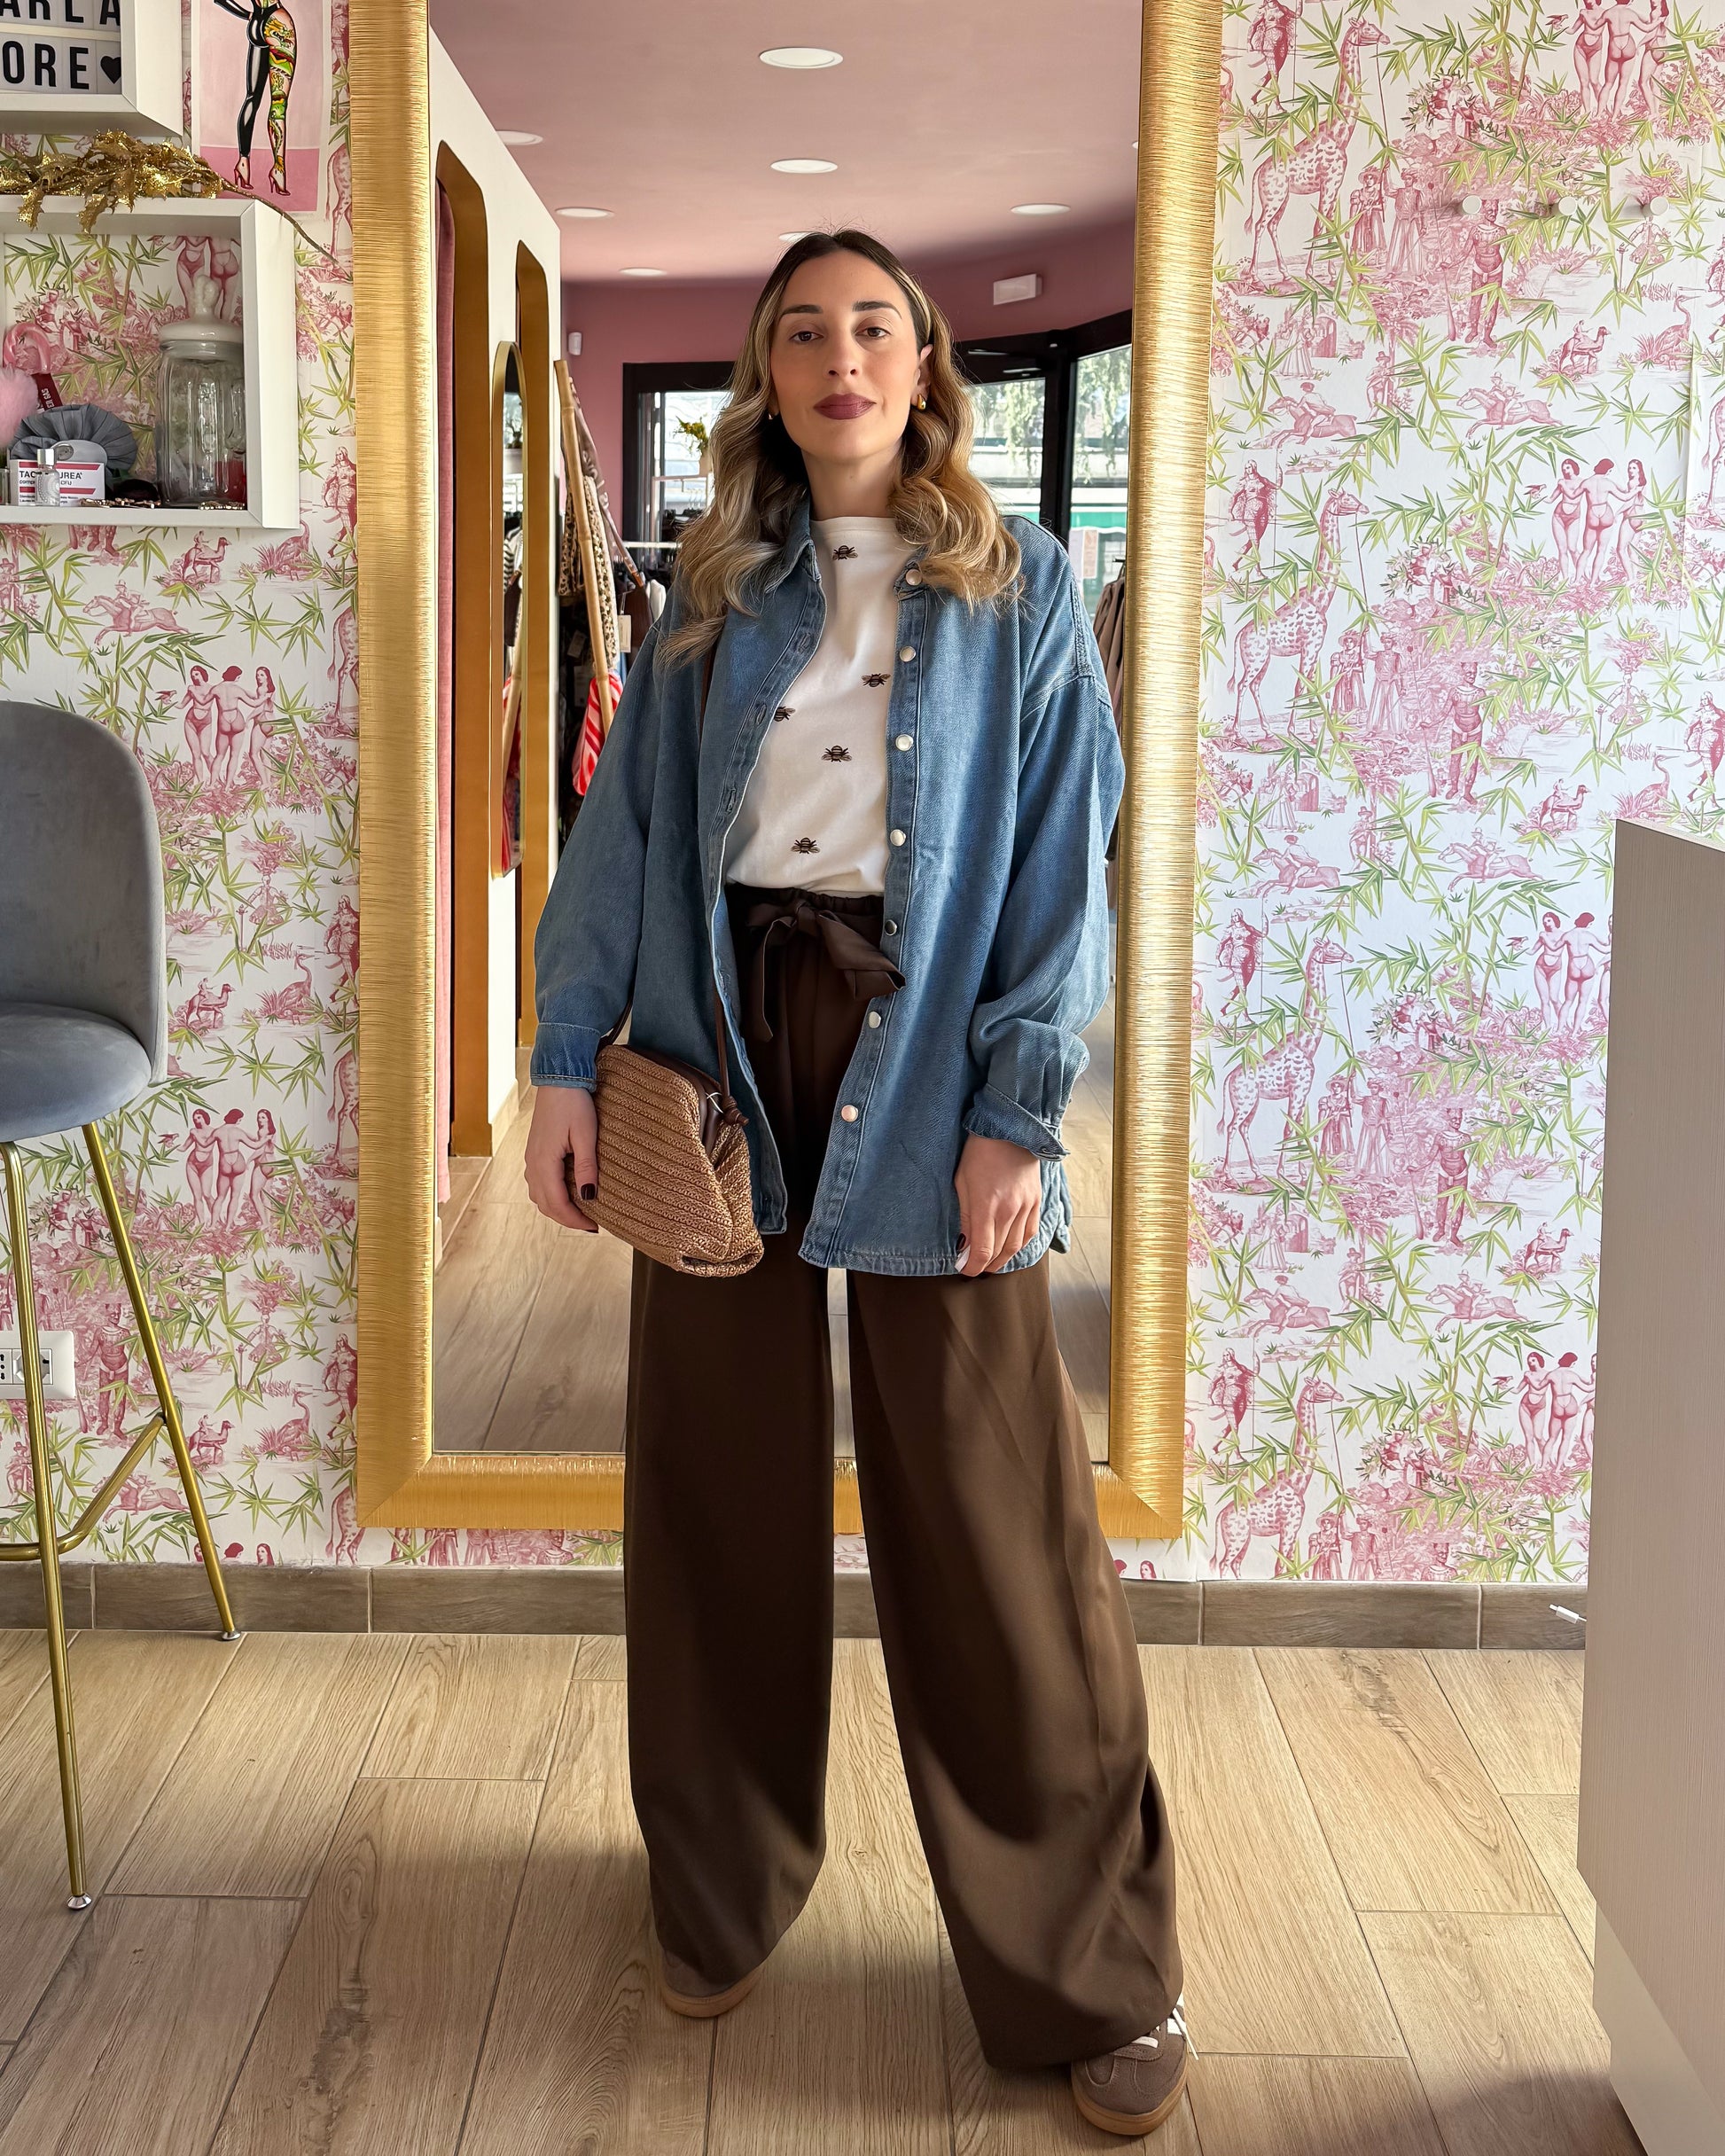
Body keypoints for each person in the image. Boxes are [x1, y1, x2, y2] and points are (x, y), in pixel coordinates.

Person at [522, 230, 1183, 2138]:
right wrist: (565, 1060)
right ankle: (718, 1886)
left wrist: (1019, 1110)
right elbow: (624, 834)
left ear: (924, 364)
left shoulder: (1022, 587)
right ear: (764, 371)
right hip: (717, 1049)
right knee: (712, 1498)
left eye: (871, 327)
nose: (839, 357)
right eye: (801, 330)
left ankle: (1087, 1969)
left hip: (933, 1060)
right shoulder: (709, 588)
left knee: (995, 1524)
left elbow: (1062, 865)